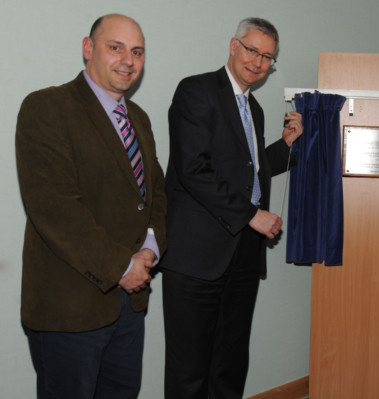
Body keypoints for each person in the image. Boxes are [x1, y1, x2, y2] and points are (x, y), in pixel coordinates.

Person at [15, 14, 167, 399]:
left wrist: (150, 249)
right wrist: (120, 267)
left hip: (129, 305)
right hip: (70, 309)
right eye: (115, 47)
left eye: (137, 52)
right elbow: (55, 209)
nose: (127, 60)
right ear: (88, 48)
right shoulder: (47, 107)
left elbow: (155, 195)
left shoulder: (139, 119)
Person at [160, 17, 303, 399]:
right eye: (252, 50)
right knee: (189, 371)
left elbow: (247, 172)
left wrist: (286, 146)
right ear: (233, 46)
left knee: (230, 364)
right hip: (196, 259)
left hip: (241, 254)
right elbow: (193, 169)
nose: (258, 62)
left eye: (268, 57)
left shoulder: (253, 109)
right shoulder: (196, 90)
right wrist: (252, 215)